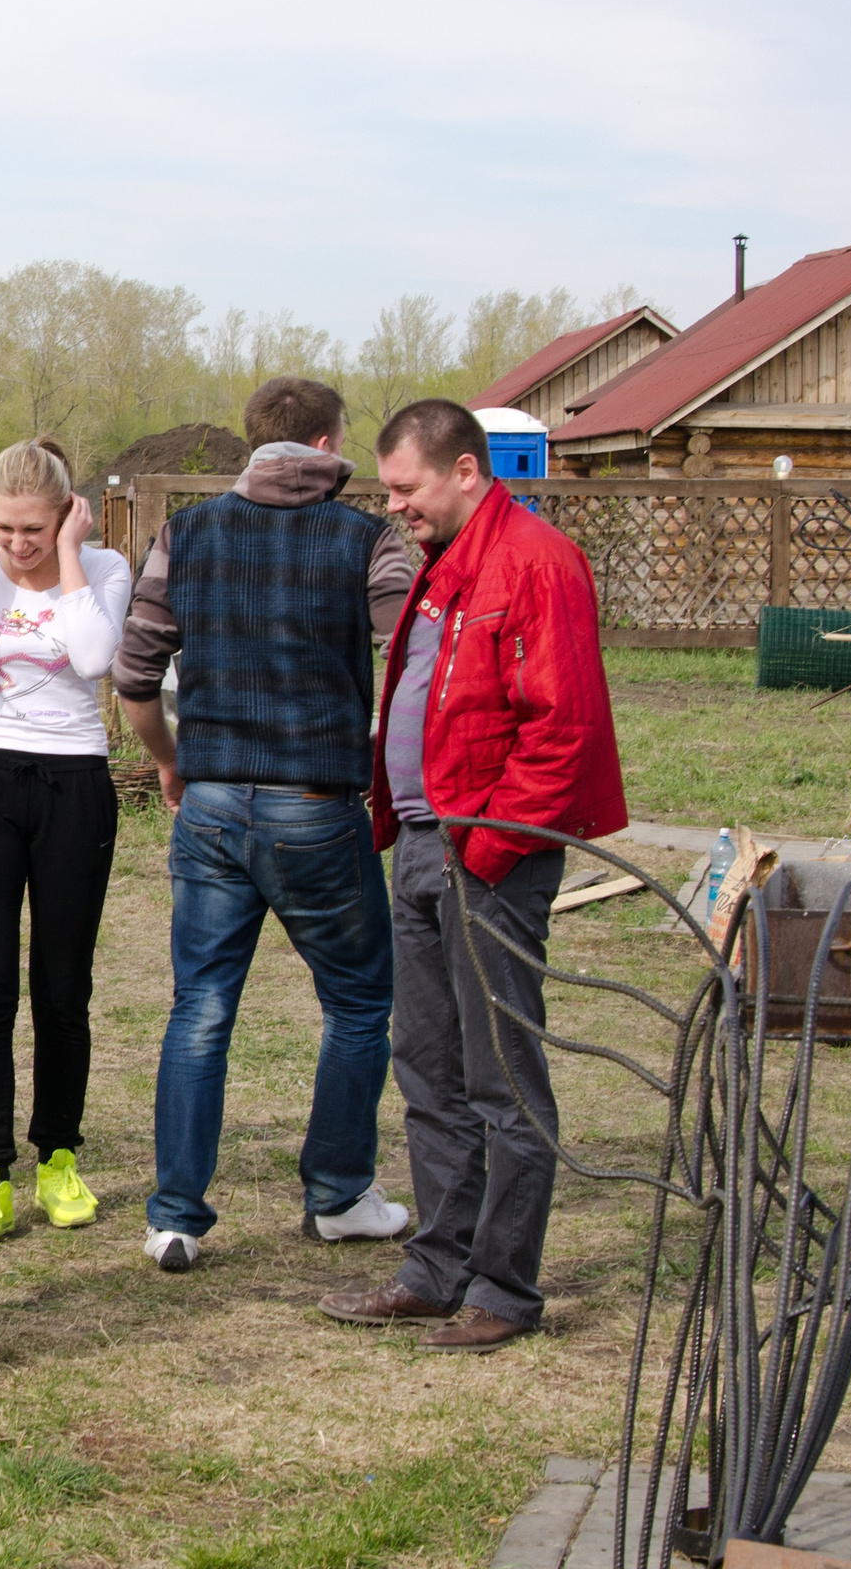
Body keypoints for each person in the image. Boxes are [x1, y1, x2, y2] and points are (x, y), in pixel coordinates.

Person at [319, 399, 625, 1353]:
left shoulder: (536, 563)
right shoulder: (447, 567)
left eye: (407, 488)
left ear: (463, 471)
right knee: (427, 1064)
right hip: (420, 842)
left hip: (484, 852)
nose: (396, 506)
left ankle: (505, 1287)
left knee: (501, 1078)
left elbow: (561, 730)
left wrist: (486, 850)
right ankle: (435, 1269)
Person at [113, 376, 418, 1273]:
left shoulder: (188, 531)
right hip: (316, 808)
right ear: (327, 443)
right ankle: (337, 1195)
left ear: (254, 442)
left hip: (210, 803)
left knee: (200, 1007)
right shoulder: (371, 539)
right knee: (359, 1002)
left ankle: (174, 1216)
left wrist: (171, 759)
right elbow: (411, 662)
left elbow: (134, 676)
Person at [0, 438, 130, 1241]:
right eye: (6, 528)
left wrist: (71, 556)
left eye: (34, 529)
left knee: (62, 987)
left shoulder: (100, 567)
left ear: (67, 514)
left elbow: (94, 656)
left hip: (74, 783)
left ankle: (59, 1159)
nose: (20, 544)